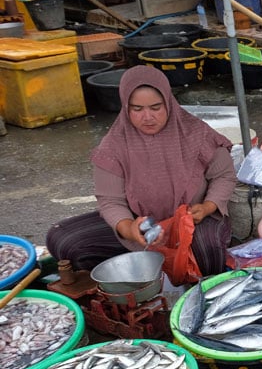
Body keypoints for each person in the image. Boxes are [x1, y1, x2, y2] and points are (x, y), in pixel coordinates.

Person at [46, 66, 237, 276]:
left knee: (207, 250)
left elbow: (224, 176)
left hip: (193, 220)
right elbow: (111, 201)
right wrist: (129, 228)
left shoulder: (196, 133)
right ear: (126, 107)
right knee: (62, 240)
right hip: (142, 226)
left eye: (156, 107)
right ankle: (142, 269)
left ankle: (158, 268)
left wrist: (208, 207)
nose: (147, 117)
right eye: (137, 109)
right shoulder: (113, 146)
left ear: (169, 103)